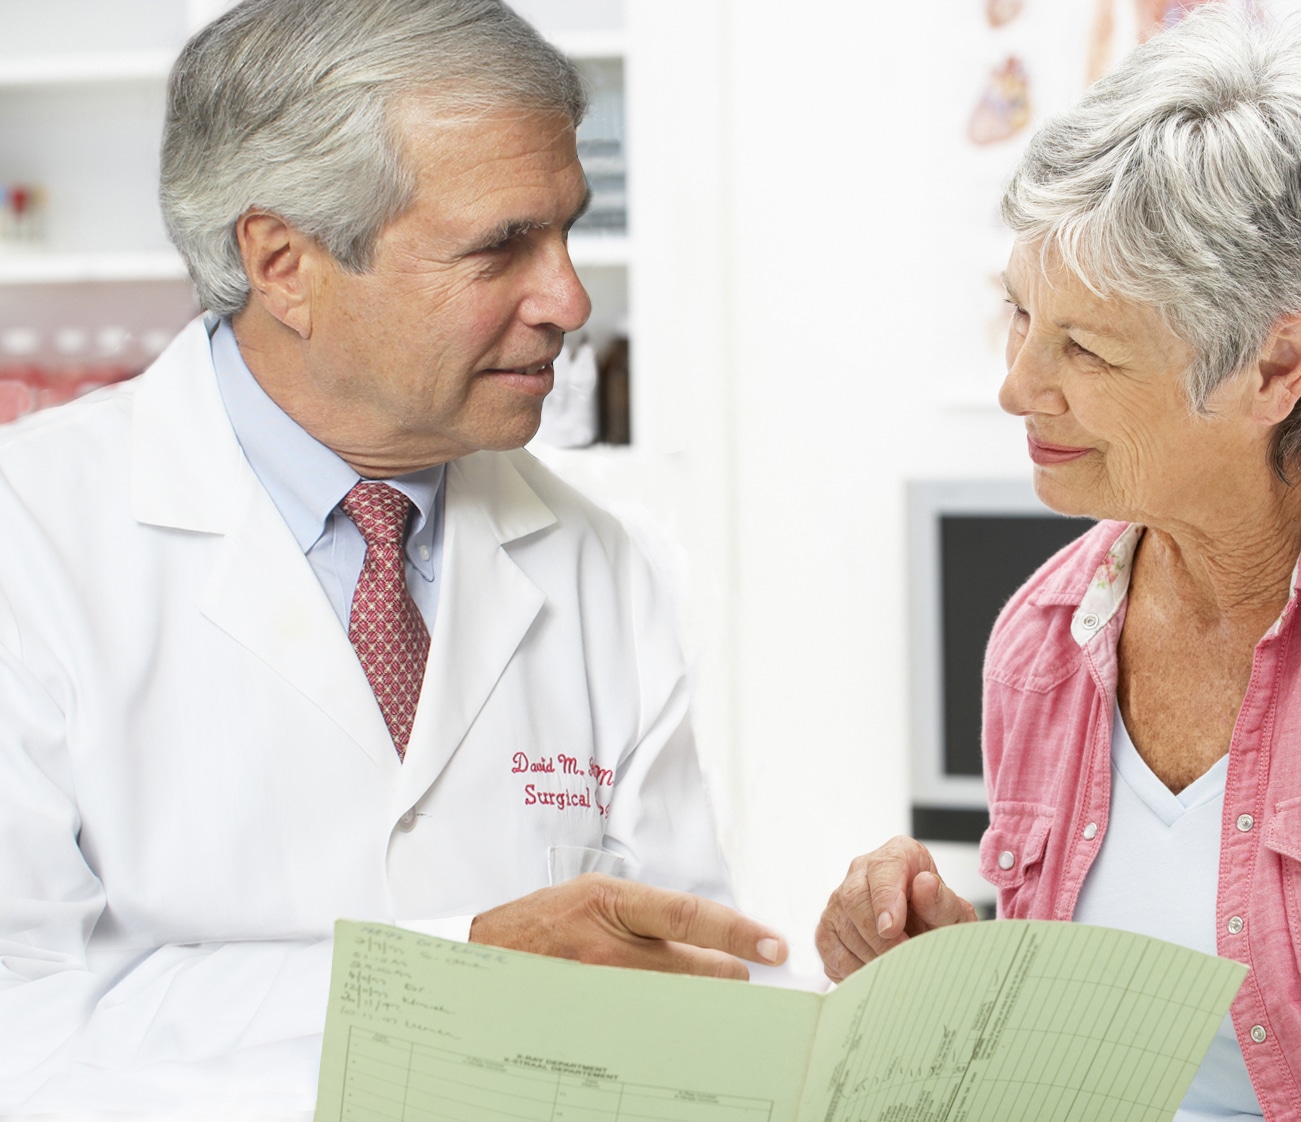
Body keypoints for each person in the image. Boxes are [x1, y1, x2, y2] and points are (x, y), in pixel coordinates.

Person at [0, 0, 785, 1114]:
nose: (569, 298)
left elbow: (678, 976)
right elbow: (22, 1020)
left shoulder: (600, 561)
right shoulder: (27, 545)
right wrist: (457, 979)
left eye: (568, 229)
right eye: (500, 245)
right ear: (282, 262)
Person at [818, 8, 1301, 1119]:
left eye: (1087, 348)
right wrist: (950, 974)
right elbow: (1089, 1059)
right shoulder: (1041, 638)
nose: (1019, 384)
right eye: (1019, 314)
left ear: (1276, 364)